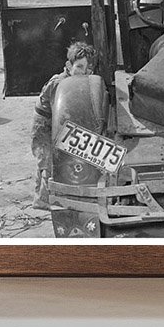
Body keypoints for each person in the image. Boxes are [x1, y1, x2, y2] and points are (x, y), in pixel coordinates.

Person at [30, 41, 98, 210]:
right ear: (68, 65)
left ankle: (48, 196)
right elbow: (59, 114)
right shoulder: (59, 83)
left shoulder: (78, 81)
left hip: (56, 122)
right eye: (80, 67)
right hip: (44, 125)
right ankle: (42, 201)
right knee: (46, 161)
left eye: (89, 68)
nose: (85, 72)